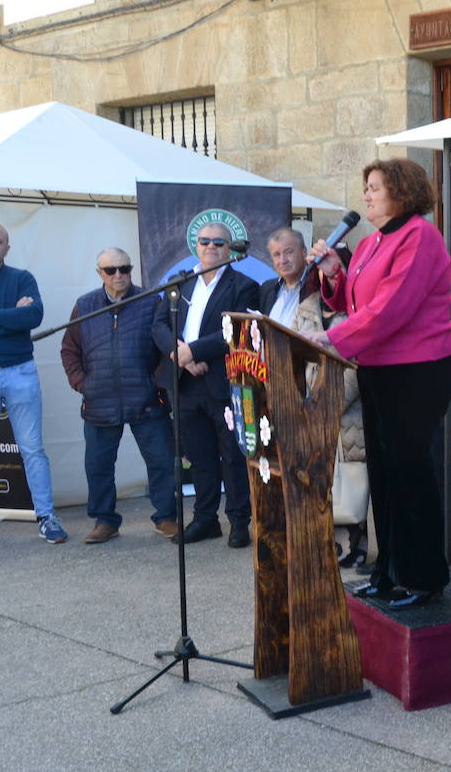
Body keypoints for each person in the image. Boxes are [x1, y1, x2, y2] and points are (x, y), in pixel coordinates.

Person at [304, 159, 451, 610]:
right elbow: (354, 297)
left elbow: (390, 309)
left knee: (409, 471)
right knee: (384, 474)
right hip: (377, 367)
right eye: (365, 188)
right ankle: (389, 569)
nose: (366, 195)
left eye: (374, 188)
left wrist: (331, 337)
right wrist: (335, 272)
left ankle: (425, 575)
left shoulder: (420, 237)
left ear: (402, 192)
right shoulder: (372, 241)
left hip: (417, 368)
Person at [151, 221, 260, 547]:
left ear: (230, 249)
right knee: (199, 457)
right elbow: (158, 324)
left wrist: (192, 351)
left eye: (219, 243)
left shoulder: (244, 284)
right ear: (195, 246)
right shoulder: (179, 283)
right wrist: (178, 354)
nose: (211, 247)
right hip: (185, 382)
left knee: (232, 455)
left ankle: (239, 521)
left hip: (225, 381)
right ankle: (205, 518)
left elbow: (235, 330)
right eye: (205, 241)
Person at [59, 247, 177, 543]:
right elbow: (69, 349)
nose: (119, 275)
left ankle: (165, 517)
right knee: (98, 466)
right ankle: (105, 521)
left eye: (125, 268)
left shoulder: (151, 301)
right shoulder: (85, 305)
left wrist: (157, 382)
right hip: (99, 401)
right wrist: (82, 384)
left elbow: (168, 346)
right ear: (99, 273)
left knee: (161, 461)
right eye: (111, 270)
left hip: (147, 399)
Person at [294, 243, 369, 568]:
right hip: (311, 412)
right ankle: (324, 548)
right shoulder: (306, 308)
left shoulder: (358, 308)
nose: (325, 271)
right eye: (320, 266)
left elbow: (359, 362)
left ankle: (355, 547)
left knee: (352, 484)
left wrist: (330, 402)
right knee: (320, 483)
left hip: (349, 413)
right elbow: (293, 356)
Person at [0, 221, 66, 544]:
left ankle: (47, 516)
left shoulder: (23, 278)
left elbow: (33, 316)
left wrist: (15, 316)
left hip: (20, 370)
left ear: (7, 248)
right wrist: (10, 315)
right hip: (16, 364)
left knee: (32, 449)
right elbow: (19, 318)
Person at [259, 227, 311, 328]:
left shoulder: (318, 285)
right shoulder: (267, 289)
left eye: (289, 252)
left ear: (303, 252)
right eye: (277, 255)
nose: (283, 260)